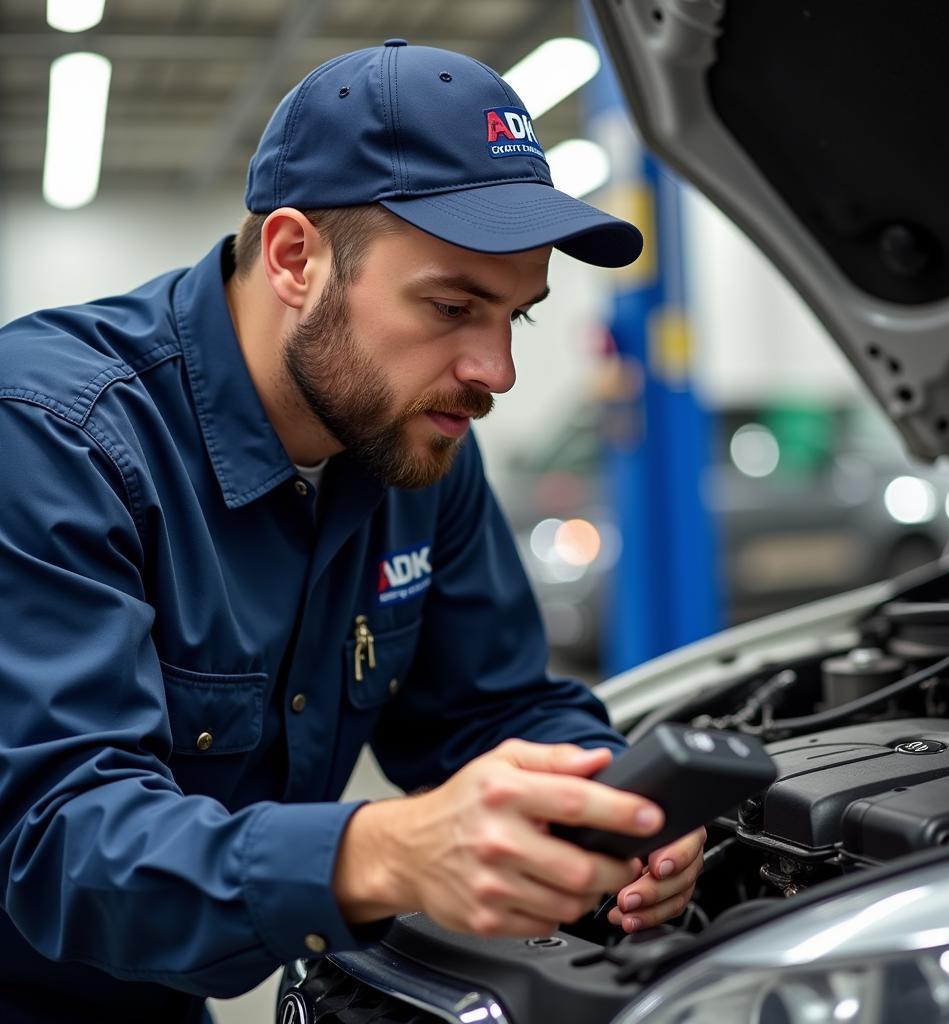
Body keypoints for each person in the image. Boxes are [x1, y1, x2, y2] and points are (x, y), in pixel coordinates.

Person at [0, 40, 705, 1023]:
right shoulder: (49, 437)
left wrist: (617, 804)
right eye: (452, 306)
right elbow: (57, 840)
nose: (494, 370)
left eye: (516, 318)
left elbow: (488, 707)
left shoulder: (411, 445)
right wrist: (386, 850)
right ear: (295, 257)